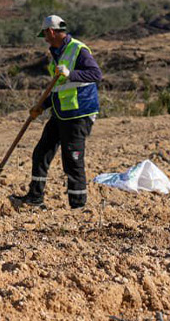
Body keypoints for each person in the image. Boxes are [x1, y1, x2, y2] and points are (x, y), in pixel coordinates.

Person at [11, 15, 104, 210]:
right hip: (61, 113)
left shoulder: (78, 49)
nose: (44, 39)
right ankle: (35, 198)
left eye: (45, 34)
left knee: (72, 160)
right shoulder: (56, 55)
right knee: (41, 153)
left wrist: (72, 74)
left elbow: (96, 75)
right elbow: (58, 89)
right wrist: (41, 106)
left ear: (51, 32)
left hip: (79, 113)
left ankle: (78, 207)